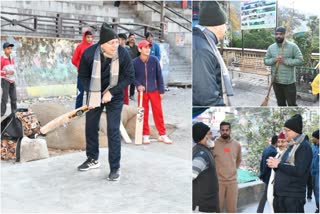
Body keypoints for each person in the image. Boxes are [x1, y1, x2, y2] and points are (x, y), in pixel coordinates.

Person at [77, 23, 134, 181]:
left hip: (114, 94)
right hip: (95, 93)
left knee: (113, 129)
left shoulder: (122, 53)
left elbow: (129, 76)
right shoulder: (89, 54)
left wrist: (111, 92)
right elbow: (82, 76)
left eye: (117, 42)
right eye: (112, 43)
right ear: (103, 43)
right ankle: (92, 159)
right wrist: (93, 92)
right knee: (90, 126)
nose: (116, 45)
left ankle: (115, 167)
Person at [267, 114, 312, 213]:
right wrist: (274, 165)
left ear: (296, 131)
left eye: (287, 130)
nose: (285, 133)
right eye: (284, 130)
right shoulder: (291, 145)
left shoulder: (304, 147)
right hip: (282, 196)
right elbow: (284, 168)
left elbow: (299, 171)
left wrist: (278, 165)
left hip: (292, 197)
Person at [133, 40, 172, 144]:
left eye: (149, 47)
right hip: (142, 93)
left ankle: (162, 134)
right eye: (145, 47)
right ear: (139, 49)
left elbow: (159, 76)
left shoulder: (154, 60)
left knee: (158, 112)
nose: (148, 49)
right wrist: (138, 85)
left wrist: (161, 90)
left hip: (154, 90)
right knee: (143, 113)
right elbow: (132, 77)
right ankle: (145, 135)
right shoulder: (134, 62)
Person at [192, 1, 229, 106]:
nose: (225, 29)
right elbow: (206, 97)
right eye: (224, 25)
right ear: (216, 25)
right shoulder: (201, 50)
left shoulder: (204, 41)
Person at [264, 26, 304, 106]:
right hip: (276, 81)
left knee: (292, 104)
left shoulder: (293, 47)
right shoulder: (271, 48)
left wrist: (285, 61)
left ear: (285, 35)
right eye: (276, 34)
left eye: (281, 34)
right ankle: (283, 118)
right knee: (280, 103)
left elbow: (300, 60)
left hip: (289, 82)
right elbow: (265, 61)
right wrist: (274, 60)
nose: (278, 36)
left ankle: (294, 118)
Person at [212, 121, 241, 213]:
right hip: (218, 182)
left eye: (227, 130)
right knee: (217, 209)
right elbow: (211, 162)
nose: (225, 132)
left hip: (232, 182)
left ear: (230, 131)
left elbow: (239, 160)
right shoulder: (213, 144)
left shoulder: (237, 145)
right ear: (220, 131)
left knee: (232, 210)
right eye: (223, 130)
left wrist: (232, 171)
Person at [192, 122, 219, 213]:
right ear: (204, 136)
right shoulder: (201, 155)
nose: (212, 136)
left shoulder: (204, 150)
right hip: (202, 206)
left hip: (207, 205)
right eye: (210, 133)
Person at [71, 30, 94, 109]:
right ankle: (78, 110)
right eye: (88, 37)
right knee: (80, 92)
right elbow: (74, 60)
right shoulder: (80, 47)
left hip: (91, 74)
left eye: (91, 37)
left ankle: (89, 110)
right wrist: (80, 67)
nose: (89, 39)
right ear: (84, 37)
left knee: (90, 93)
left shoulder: (94, 47)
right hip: (81, 74)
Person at [267, 132, 287, 213]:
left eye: (283, 141)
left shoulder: (288, 156)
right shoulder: (277, 155)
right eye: (278, 142)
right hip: (274, 191)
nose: (280, 144)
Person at [257, 135, 278, 213]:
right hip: (269, 176)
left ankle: (260, 211)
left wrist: (261, 174)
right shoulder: (273, 151)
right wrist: (263, 175)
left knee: (266, 195)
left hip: (266, 175)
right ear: (276, 142)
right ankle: (259, 211)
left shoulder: (267, 149)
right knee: (266, 195)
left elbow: (261, 162)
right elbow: (268, 165)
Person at [1, 42, 17, 117]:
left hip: (12, 81)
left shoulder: (12, 58)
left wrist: (14, 73)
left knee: (14, 98)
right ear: (4, 49)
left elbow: (13, 68)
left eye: (11, 48)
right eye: (8, 48)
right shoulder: (2, 59)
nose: (10, 50)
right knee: (5, 99)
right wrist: (6, 72)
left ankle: (14, 113)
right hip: (5, 81)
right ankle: (1, 113)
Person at [127, 33, 139, 101]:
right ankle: (124, 95)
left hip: (134, 66)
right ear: (128, 38)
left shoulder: (136, 47)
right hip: (126, 66)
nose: (132, 38)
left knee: (133, 81)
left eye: (133, 37)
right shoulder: (125, 46)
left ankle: (131, 95)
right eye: (131, 37)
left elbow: (139, 56)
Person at [118, 33, 130, 105]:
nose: (122, 41)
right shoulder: (114, 50)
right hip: (115, 76)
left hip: (125, 76)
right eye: (120, 39)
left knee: (125, 95)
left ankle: (125, 109)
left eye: (123, 40)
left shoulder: (127, 50)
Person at [311, 130, 319, 213]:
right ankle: (318, 207)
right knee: (316, 191)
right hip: (313, 173)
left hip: (319, 173)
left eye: (313, 137)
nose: (312, 138)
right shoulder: (312, 146)